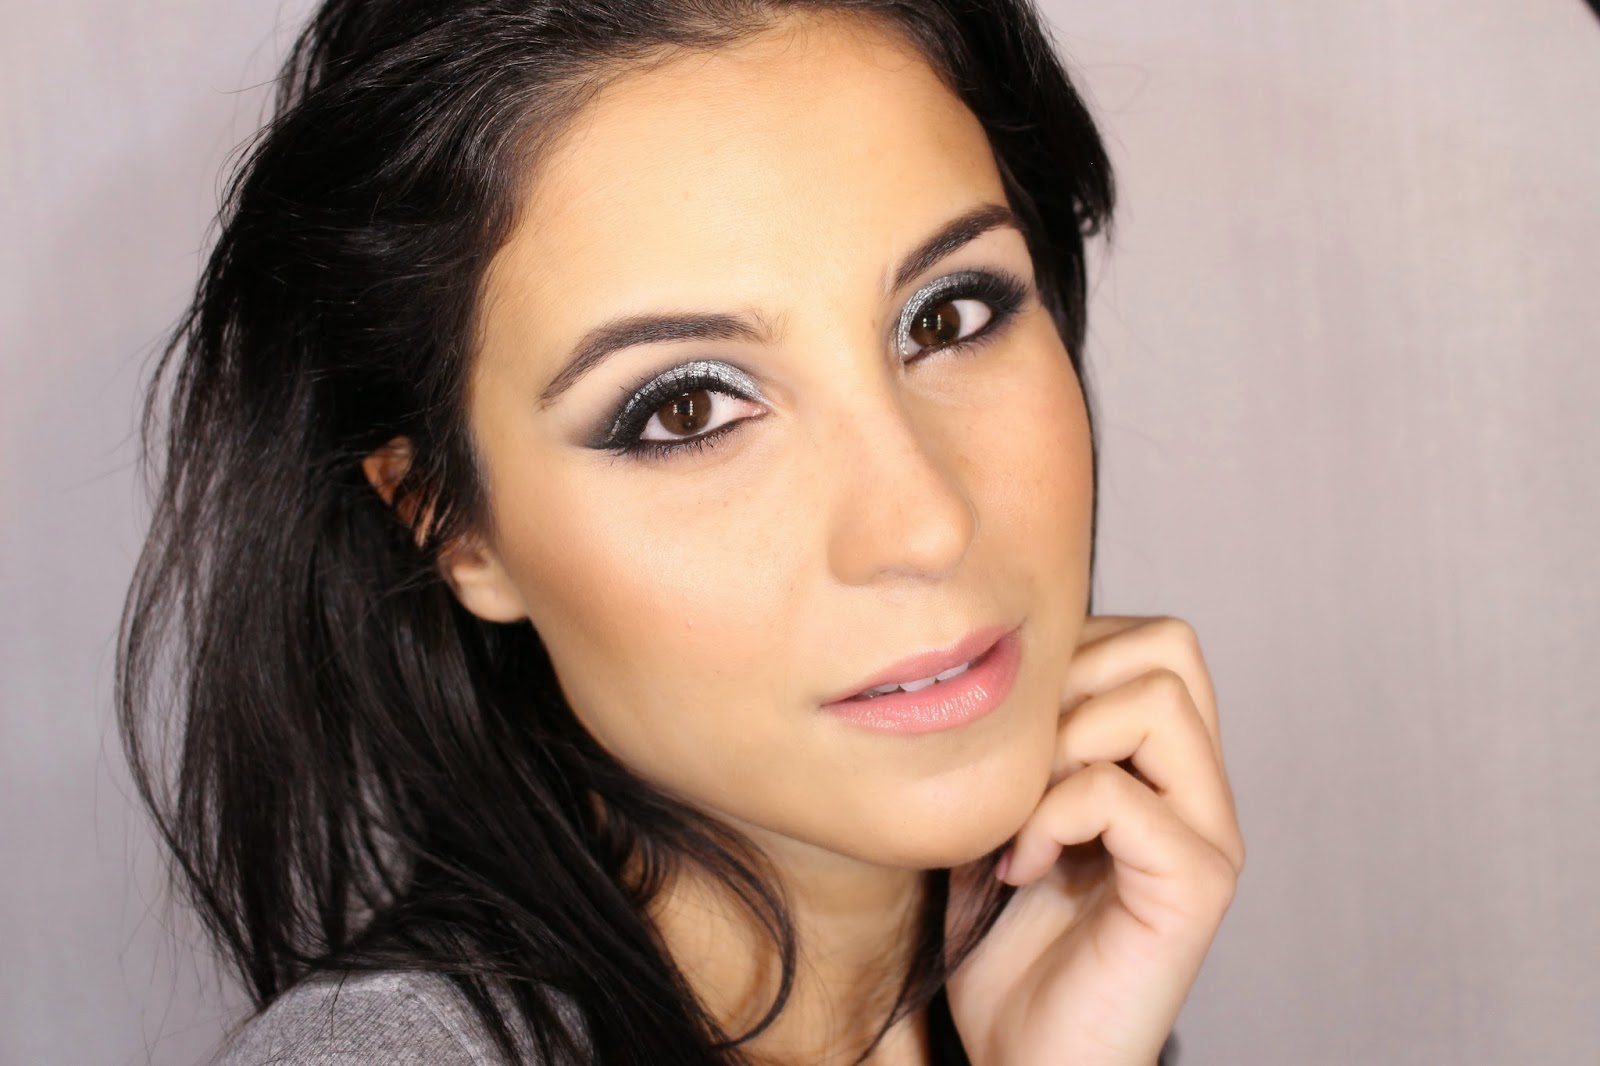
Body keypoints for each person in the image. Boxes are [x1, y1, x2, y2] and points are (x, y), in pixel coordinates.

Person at [117, 1, 1244, 1063]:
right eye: (688, 410)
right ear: (455, 528)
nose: (925, 522)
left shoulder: (1053, 987)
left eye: (948, 316)